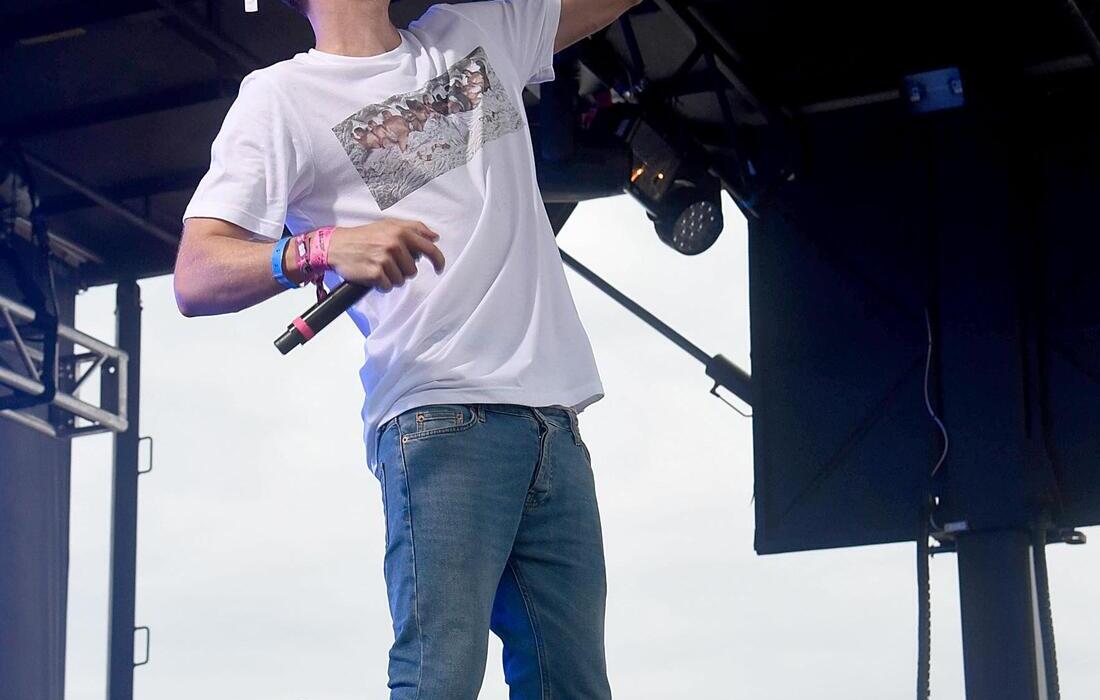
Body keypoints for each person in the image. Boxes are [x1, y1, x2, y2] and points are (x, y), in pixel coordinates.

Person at [172, 0, 640, 697]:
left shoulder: (478, 30)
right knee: (437, 679)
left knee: (573, 685)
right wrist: (320, 248)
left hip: (554, 420)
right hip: (440, 416)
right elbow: (195, 273)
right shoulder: (281, 98)